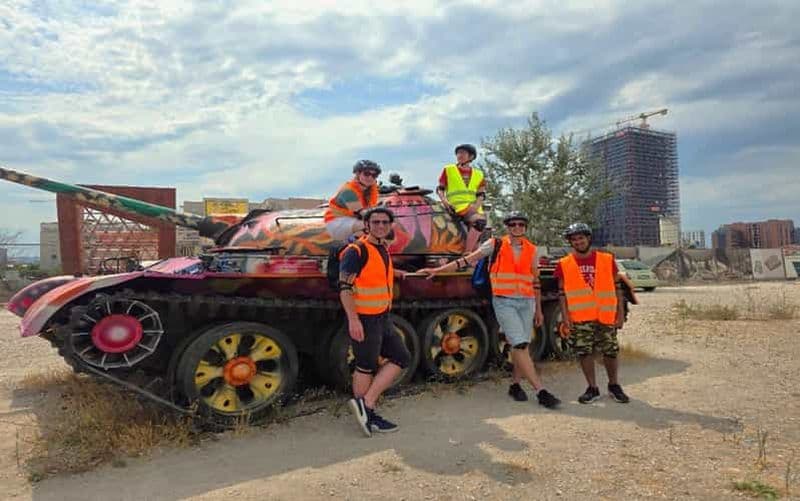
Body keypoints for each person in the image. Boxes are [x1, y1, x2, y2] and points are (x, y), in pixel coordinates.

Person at [419, 212, 561, 409]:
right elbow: (467, 260)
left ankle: (515, 385)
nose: (517, 227)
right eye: (513, 224)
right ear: (507, 227)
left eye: (521, 224)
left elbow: (535, 281)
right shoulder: (495, 244)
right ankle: (541, 391)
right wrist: (437, 270)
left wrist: (538, 310)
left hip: (526, 302)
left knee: (522, 346)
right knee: (519, 344)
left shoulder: (532, 249)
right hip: (505, 301)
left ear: (525, 227)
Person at [341, 207, 411, 437]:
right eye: (376, 222)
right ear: (367, 225)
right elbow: (345, 288)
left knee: (401, 357)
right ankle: (367, 415)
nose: (380, 226)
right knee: (365, 365)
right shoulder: (356, 251)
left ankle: (366, 405)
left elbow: (375, 271)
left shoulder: (381, 248)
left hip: (382, 316)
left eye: (385, 222)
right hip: (365, 318)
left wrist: (397, 273)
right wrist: (354, 320)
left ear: (390, 225)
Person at [555, 222, 630, 404]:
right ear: (570, 242)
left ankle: (614, 385)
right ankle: (592, 388)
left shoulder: (606, 259)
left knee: (610, 351)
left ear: (588, 238)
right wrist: (565, 317)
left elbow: (617, 287)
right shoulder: (564, 264)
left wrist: (620, 314)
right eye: (574, 239)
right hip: (580, 317)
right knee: (584, 352)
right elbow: (562, 294)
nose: (578, 242)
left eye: (581, 238)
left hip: (605, 315)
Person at [325, 160, 381, 242]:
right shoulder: (348, 191)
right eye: (366, 174)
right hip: (337, 222)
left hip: (352, 220)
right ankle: (349, 244)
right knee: (374, 225)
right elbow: (363, 213)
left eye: (374, 175)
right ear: (358, 174)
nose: (370, 177)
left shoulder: (369, 190)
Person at [436, 144, 487, 231]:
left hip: (474, 208)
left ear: (471, 157)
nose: (459, 155)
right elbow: (440, 189)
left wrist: (475, 207)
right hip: (454, 207)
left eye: (463, 153)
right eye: (458, 153)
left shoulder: (479, 174)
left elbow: (481, 194)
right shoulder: (448, 169)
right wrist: (445, 202)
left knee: (481, 224)